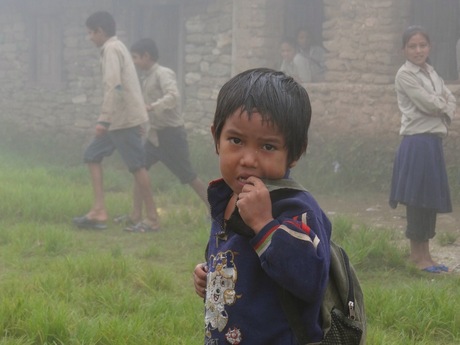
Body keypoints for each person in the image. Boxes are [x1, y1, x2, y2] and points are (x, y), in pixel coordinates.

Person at [193, 68, 332, 344]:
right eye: (236, 140)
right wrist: (208, 274)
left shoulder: (296, 209)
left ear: (294, 153)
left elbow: (312, 280)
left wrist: (264, 225)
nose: (248, 159)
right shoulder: (227, 197)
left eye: (267, 147)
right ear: (216, 139)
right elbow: (236, 260)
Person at [72, 11, 160, 231]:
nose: (90, 37)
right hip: (119, 119)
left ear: (100, 31)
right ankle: (99, 211)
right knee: (92, 155)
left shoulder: (111, 49)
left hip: (123, 120)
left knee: (137, 166)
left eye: (91, 33)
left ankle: (152, 219)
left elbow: (114, 86)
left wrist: (104, 120)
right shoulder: (116, 47)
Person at [118, 38, 208, 232]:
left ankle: (217, 212)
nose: (133, 62)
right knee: (139, 170)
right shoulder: (146, 78)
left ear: (146, 56)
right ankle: (136, 215)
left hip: (172, 135)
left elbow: (173, 97)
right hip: (154, 136)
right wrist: (143, 124)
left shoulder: (163, 73)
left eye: (135, 57)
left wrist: (151, 107)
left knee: (188, 175)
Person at [389, 26, 456, 273]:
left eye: (422, 45)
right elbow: (428, 104)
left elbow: (451, 99)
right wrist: (443, 106)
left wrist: (443, 106)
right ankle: (417, 258)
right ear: (403, 50)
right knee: (417, 199)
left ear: (430, 47)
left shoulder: (431, 72)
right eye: (412, 46)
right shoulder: (405, 75)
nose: (418, 50)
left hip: (432, 143)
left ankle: (426, 255)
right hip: (416, 143)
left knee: (429, 199)